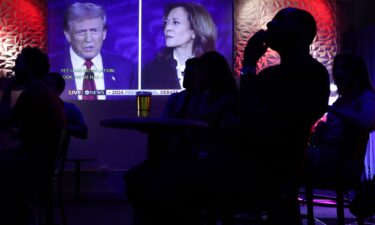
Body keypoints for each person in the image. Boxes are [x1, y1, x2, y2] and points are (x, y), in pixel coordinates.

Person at [125, 51, 239, 225]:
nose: (191, 78)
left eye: (196, 74)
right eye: (187, 73)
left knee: (152, 180)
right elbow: (166, 124)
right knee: (136, 177)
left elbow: (202, 122)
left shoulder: (223, 100)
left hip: (208, 161)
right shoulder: (178, 98)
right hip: (181, 157)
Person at [240, 7, 330, 224]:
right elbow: (247, 109)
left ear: (302, 32)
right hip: (266, 157)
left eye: (280, 21)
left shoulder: (313, 73)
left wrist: (250, 64)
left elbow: (256, 114)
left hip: (278, 160)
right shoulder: (272, 74)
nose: (270, 26)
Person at [0, 47, 66, 224]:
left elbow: (5, 122)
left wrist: (6, 91)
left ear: (27, 68)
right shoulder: (46, 93)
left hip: (33, 166)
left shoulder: (32, 94)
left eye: (18, 64)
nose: (14, 69)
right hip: (42, 163)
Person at [307, 52, 375, 190]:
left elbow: (368, 122)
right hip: (327, 155)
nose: (337, 72)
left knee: (290, 158)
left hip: (342, 162)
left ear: (355, 72)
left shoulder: (366, 97)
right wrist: (320, 133)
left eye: (343, 68)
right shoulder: (341, 101)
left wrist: (333, 110)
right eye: (336, 68)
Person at [49, 2, 137, 100]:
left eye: (94, 31)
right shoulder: (49, 67)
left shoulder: (125, 69)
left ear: (104, 33)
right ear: (68, 35)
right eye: (81, 32)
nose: (89, 39)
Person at [141, 2, 217, 89]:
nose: (167, 28)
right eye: (166, 23)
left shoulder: (213, 68)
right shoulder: (152, 70)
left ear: (195, 30)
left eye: (175, 22)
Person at [44, 72, 88, 139]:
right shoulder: (32, 105)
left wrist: (60, 126)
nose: (43, 86)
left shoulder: (68, 108)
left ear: (58, 88)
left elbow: (83, 132)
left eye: (48, 83)